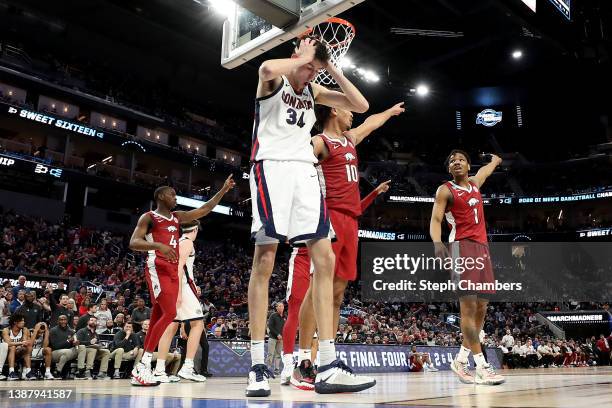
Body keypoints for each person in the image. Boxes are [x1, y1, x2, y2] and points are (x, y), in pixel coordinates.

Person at [247, 32, 377, 396]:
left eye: (312, 68)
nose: (309, 72)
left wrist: (328, 64)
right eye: (306, 65)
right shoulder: (273, 79)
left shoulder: (315, 91)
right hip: (271, 167)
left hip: (305, 173)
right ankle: (257, 365)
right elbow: (267, 65)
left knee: (326, 260)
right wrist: (303, 57)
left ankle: (327, 364)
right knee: (265, 260)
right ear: (296, 55)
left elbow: (361, 104)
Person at [283, 101, 404, 389]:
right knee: (316, 288)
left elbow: (371, 122)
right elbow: (293, 171)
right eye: (348, 109)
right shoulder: (319, 141)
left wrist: (389, 112)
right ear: (334, 111)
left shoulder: (349, 139)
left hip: (351, 220)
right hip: (330, 217)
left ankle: (330, 358)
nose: (353, 114)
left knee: (337, 295)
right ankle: (304, 363)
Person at [128, 177, 235, 386]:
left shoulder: (177, 218)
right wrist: (159, 246)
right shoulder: (149, 217)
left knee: (160, 314)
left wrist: (222, 190)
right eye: (172, 194)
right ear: (160, 196)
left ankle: (144, 367)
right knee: (169, 313)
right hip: (157, 268)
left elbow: (204, 209)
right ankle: (144, 365)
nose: (175, 198)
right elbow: (133, 242)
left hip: (173, 273)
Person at [429, 150, 505, 385]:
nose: (456, 162)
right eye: (452, 161)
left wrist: (495, 160)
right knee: (468, 309)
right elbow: (435, 220)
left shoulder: (474, 183)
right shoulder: (445, 190)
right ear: (449, 169)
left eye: (461, 159)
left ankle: (460, 360)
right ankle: (481, 365)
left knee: (482, 307)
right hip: (461, 248)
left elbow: (485, 171)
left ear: (468, 165)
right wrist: (437, 242)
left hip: (482, 248)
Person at [172, 220, 207, 382]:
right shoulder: (187, 243)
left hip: (180, 286)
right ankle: (187, 366)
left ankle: (159, 368)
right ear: (194, 230)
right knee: (198, 324)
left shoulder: (178, 241)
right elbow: (179, 267)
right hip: (184, 287)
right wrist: (179, 293)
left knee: (172, 325)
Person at [2, 313, 36, 380]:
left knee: (28, 347)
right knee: (12, 347)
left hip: (18, 352)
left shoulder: (24, 330)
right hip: (6, 354)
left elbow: (25, 342)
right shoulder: (6, 330)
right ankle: (11, 372)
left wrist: (23, 344)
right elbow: (8, 343)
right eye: (22, 321)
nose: (24, 322)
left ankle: (28, 371)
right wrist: (20, 343)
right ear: (15, 322)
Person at [49, 315, 80, 379]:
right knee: (67, 352)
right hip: (55, 353)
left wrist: (75, 343)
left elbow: (73, 345)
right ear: (58, 321)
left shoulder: (71, 331)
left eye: (65, 320)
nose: (63, 321)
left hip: (68, 353)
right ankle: (59, 371)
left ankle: (58, 372)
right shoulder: (53, 330)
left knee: (81, 347)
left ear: (67, 321)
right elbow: (55, 346)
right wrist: (68, 341)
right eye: (61, 320)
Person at [267, 302, 285, 375]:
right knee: (270, 354)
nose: (281, 307)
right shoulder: (273, 315)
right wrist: (277, 334)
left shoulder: (284, 316)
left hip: (281, 339)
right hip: (273, 338)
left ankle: (276, 370)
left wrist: (283, 335)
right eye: (279, 306)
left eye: (282, 306)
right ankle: (268, 369)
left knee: (278, 354)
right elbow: (270, 326)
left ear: (283, 307)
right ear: (276, 308)